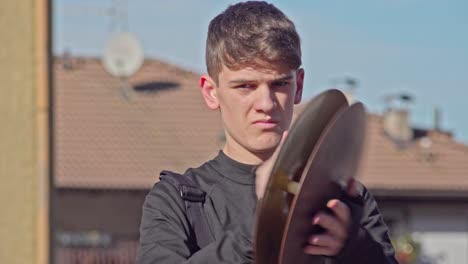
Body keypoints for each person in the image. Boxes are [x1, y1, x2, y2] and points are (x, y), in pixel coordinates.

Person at [137, 1, 398, 263]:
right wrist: (268, 218)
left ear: (299, 86)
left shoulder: (343, 198)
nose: (266, 104)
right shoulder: (176, 201)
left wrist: (356, 246)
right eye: (245, 86)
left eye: (280, 84)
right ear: (211, 92)